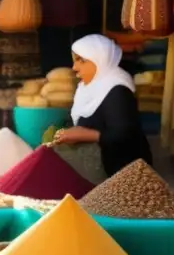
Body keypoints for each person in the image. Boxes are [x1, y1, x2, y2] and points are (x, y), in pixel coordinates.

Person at [53, 34, 152, 176]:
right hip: (100, 169)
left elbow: (125, 136)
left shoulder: (118, 90)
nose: (74, 67)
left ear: (100, 60)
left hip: (126, 172)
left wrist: (87, 135)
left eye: (81, 60)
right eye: (74, 61)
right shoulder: (86, 88)